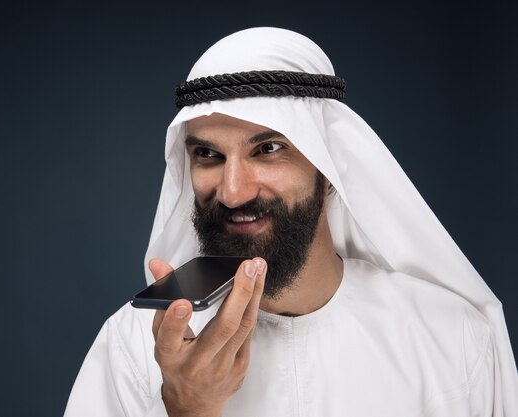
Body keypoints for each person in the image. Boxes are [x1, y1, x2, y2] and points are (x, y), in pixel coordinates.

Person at [64, 27, 517, 416]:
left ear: (330, 168)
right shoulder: (133, 345)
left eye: (268, 149)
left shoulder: (451, 337)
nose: (233, 191)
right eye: (208, 154)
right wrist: (186, 409)